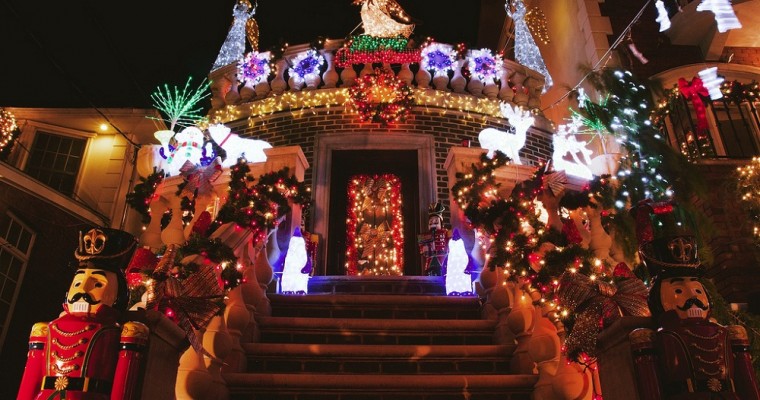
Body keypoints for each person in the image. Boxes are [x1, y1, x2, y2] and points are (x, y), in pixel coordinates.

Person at [628, 202, 760, 399]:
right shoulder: (651, 337)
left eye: (697, 289)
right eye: (678, 290)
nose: (692, 297)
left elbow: (746, 380)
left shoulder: (729, 333)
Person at [18, 227, 149, 400]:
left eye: (97, 284)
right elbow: (30, 381)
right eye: (78, 283)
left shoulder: (126, 331)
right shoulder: (43, 329)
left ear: (118, 294)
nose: (83, 290)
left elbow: (123, 384)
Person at [418, 202, 448, 276]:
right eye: (431, 223)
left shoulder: (446, 233)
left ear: (441, 224)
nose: (433, 225)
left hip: (442, 262)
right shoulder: (425, 236)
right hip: (430, 263)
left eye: (436, 223)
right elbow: (423, 251)